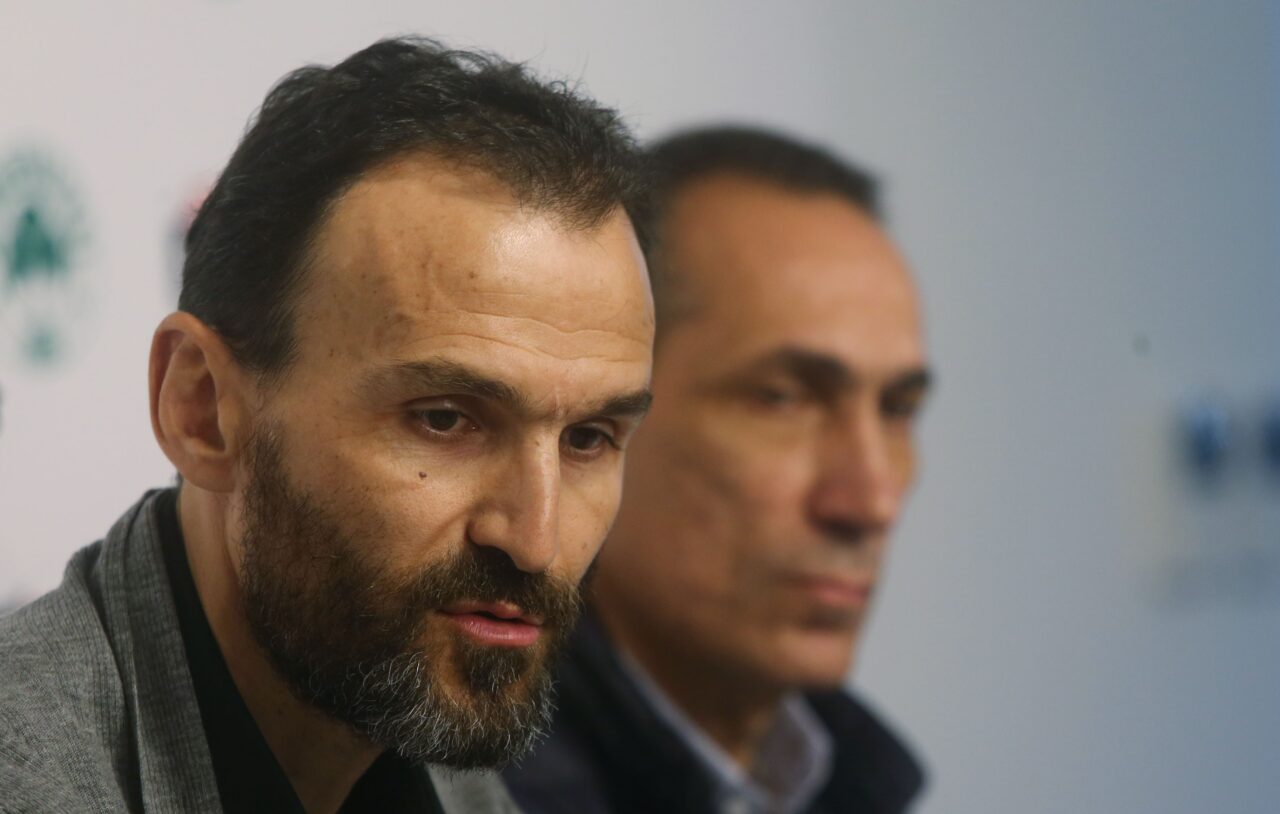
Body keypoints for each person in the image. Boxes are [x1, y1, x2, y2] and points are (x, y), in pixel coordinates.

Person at [0, 37, 655, 814]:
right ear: (201, 409)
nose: (537, 540)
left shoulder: (449, 773)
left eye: (588, 438)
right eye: (445, 419)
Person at [506, 127, 932, 814]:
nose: (871, 501)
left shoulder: (845, 779)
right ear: (598, 421)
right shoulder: (454, 787)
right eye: (782, 399)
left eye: (897, 408)